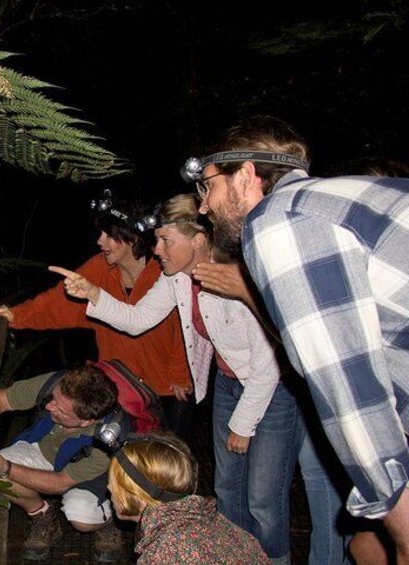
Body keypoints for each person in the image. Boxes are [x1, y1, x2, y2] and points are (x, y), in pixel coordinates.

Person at [188, 115, 409, 563]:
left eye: (207, 186)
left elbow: (349, 390)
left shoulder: (282, 220)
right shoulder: (332, 202)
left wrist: (401, 520)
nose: (202, 207)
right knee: (368, 547)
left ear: (246, 176)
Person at [51, 193, 304, 563]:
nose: (156, 250)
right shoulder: (178, 278)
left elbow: (270, 355)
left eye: (166, 240)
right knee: (227, 489)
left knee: (263, 498)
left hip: (274, 387)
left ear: (199, 240)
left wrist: (244, 423)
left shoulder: (237, 277)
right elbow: (137, 320)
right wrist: (93, 293)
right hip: (230, 385)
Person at [0, 191, 194, 441]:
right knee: (124, 454)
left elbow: (185, 326)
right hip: (119, 385)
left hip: (166, 386)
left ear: (131, 238)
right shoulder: (99, 268)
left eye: (109, 235)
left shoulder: (165, 269)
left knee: (168, 454)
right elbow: (57, 303)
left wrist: (181, 373)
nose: (100, 241)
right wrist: (17, 315)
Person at [194, 258, 353, 564]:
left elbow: (277, 344)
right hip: (299, 376)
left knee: (316, 479)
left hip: (315, 380)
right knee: (305, 479)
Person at [0, 365, 123, 562]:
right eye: (53, 398)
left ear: (86, 421)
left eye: (59, 409)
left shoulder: (106, 442)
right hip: (44, 450)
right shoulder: (59, 383)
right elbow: (1, 399)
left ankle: (107, 520)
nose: (48, 406)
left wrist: (7, 467)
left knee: (81, 517)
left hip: (90, 478)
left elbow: (59, 483)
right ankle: (42, 514)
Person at [108, 430, 270, 564]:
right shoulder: (214, 523)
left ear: (137, 494)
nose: (109, 488)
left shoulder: (167, 553)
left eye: (114, 485)